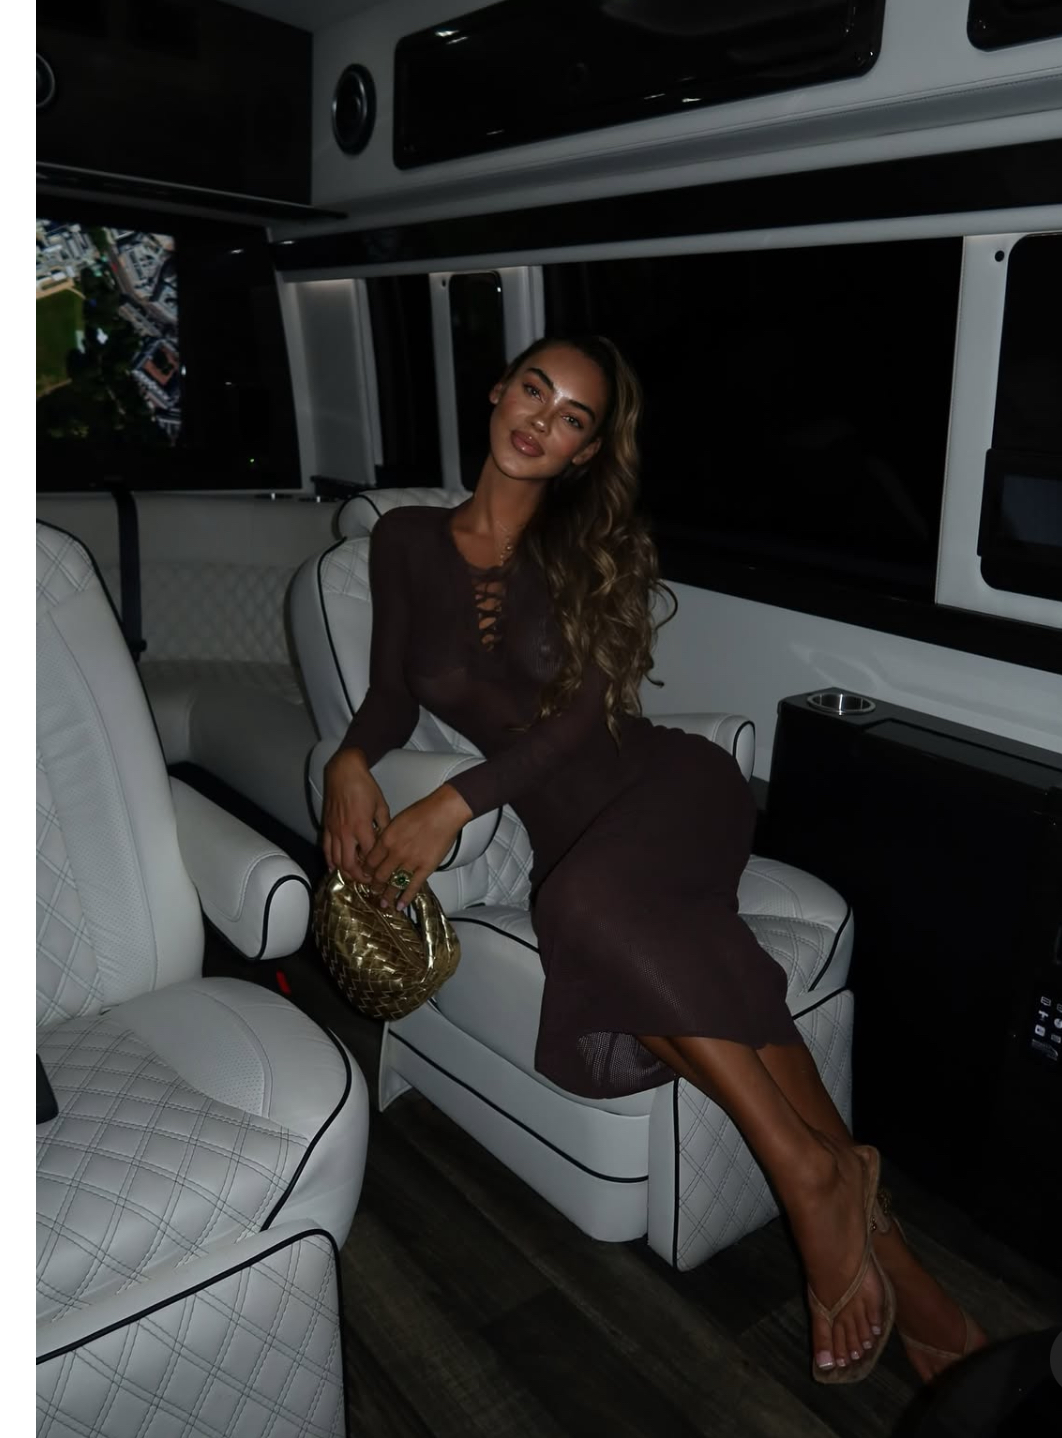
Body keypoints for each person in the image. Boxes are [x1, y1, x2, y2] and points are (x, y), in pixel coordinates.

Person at [321, 334, 985, 1384]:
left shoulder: (596, 549)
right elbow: (393, 696)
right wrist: (349, 760)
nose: (542, 420)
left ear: (585, 451)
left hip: (671, 787)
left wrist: (453, 801)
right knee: (636, 931)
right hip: (579, 839)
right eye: (534, 389)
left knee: (581, 907)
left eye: (573, 417)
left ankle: (805, 1178)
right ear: (498, 391)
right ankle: (882, 1237)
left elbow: (577, 724)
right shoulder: (402, 541)